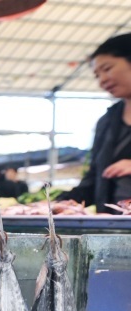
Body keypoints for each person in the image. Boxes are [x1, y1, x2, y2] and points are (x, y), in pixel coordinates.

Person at [57, 33, 131, 212]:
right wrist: (62, 202)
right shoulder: (106, 122)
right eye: (97, 75)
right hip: (113, 230)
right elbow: (93, 180)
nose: (102, 80)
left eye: (107, 69)